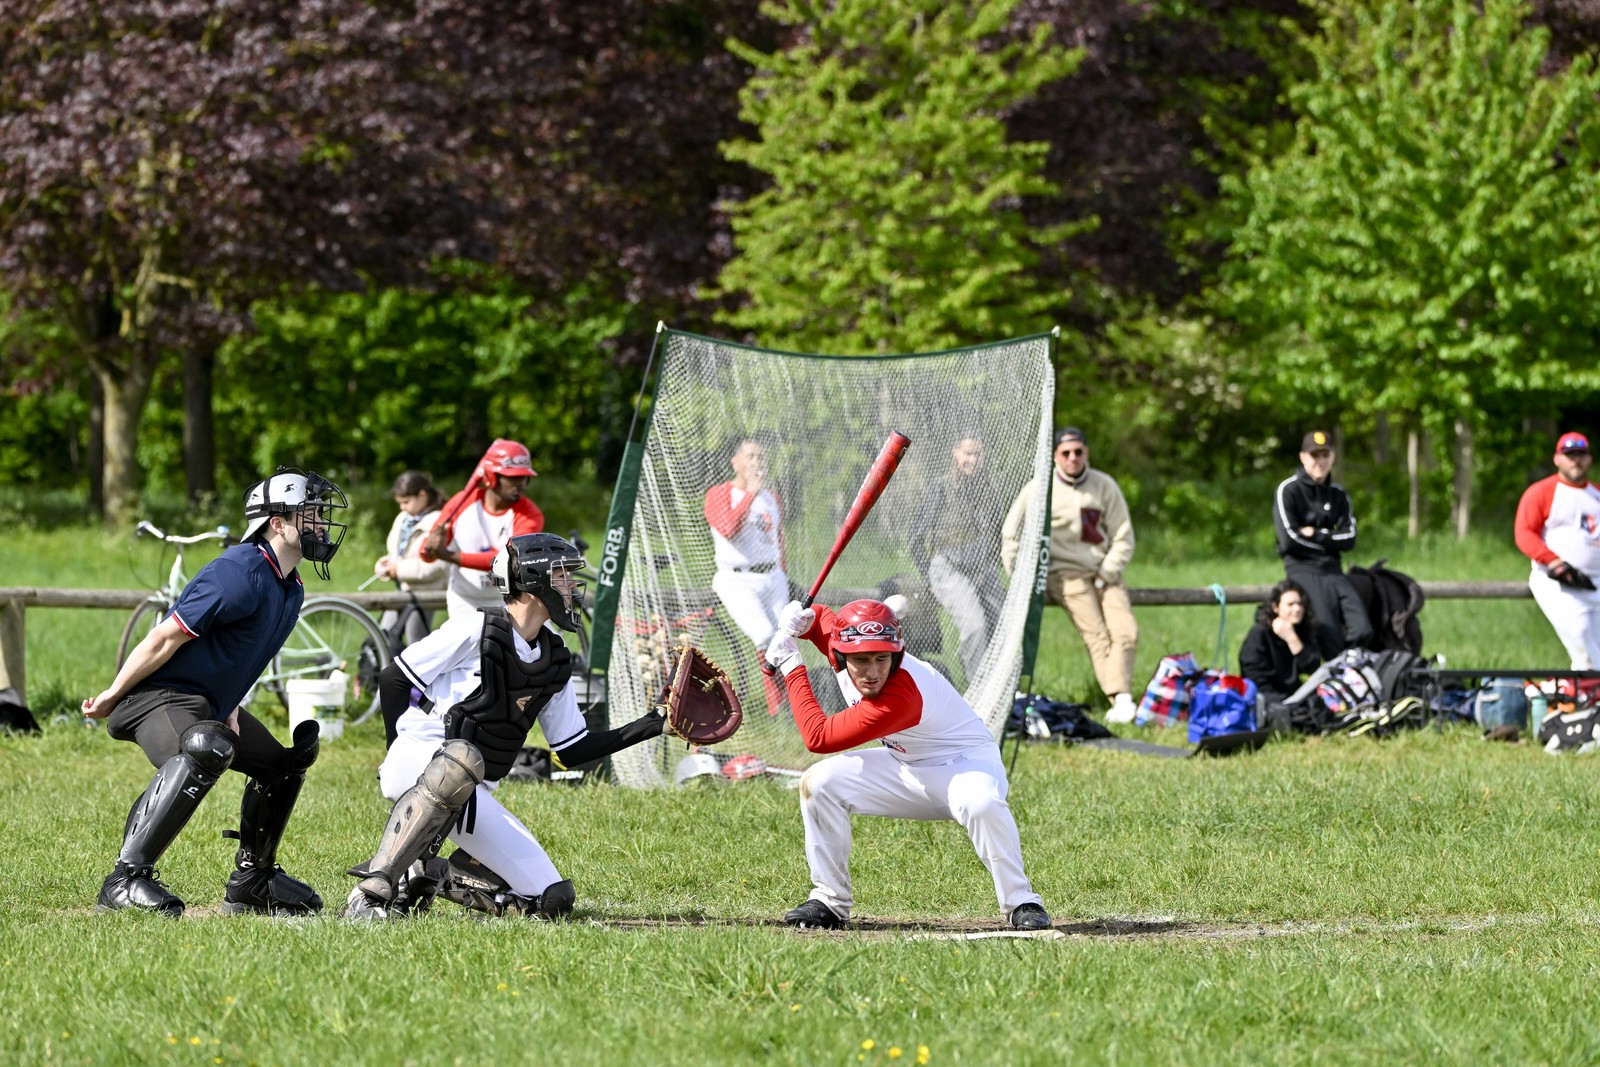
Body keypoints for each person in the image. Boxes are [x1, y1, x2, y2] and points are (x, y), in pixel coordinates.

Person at [343, 533, 670, 920]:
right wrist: (393, 754)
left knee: (551, 900)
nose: (571, 586)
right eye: (562, 575)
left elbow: (573, 749)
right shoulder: (475, 629)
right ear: (533, 583)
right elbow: (394, 678)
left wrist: (655, 723)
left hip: (469, 789)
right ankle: (370, 894)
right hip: (418, 761)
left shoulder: (554, 660)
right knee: (457, 762)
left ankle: (424, 873)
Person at [81, 468, 348, 917]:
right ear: (277, 523)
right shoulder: (237, 572)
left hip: (206, 706)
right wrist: (112, 694)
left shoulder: (291, 587)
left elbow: (247, 654)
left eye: (320, 514)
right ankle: (124, 881)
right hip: (156, 698)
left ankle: (252, 882)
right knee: (206, 748)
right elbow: (164, 638)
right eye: (309, 514)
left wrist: (232, 704)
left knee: (285, 764)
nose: (320, 523)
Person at [763, 598, 1051, 931]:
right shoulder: (843, 645)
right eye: (860, 660)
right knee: (820, 782)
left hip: (964, 768)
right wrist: (803, 620)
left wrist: (790, 665)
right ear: (841, 654)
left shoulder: (902, 694)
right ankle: (829, 901)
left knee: (981, 803)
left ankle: (1022, 901)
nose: (872, 673)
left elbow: (818, 737)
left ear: (896, 655)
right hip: (905, 764)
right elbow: (824, 620)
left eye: (881, 658)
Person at [1002, 427, 1139, 723]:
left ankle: (1122, 699)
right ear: (1055, 456)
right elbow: (1011, 535)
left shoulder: (1103, 485)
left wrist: (1108, 572)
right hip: (1064, 575)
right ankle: (1121, 697)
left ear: (1086, 453)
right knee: (1098, 635)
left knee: (1126, 631)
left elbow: (1123, 535)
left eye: (1078, 452)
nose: (1072, 458)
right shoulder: (1039, 488)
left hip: (1105, 572)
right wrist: (1019, 578)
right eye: (1066, 453)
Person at [909, 432, 1006, 682]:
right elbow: (915, 537)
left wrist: (990, 563)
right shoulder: (939, 489)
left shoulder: (986, 489)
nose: (972, 460)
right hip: (948, 568)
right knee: (975, 627)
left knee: (1004, 624)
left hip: (982, 569)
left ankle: (1002, 682)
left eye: (977, 454)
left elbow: (998, 532)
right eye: (968, 453)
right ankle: (978, 686)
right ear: (955, 453)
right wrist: (929, 576)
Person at [704, 434, 790, 713]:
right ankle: (776, 706)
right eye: (750, 456)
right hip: (738, 578)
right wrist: (750, 493)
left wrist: (783, 572)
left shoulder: (771, 496)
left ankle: (786, 707)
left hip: (772, 575)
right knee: (765, 636)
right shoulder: (720, 493)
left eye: (760, 457)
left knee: (785, 638)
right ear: (736, 461)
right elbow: (728, 528)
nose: (756, 462)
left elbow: (777, 537)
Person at [1272, 429, 1373, 659]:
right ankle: (1334, 684)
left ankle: (1351, 674)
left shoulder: (1338, 494)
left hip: (1334, 570)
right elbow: (1289, 541)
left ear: (1333, 457)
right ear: (1302, 457)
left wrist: (1317, 535)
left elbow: (1350, 539)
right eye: (1314, 455)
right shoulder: (1288, 490)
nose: (1320, 461)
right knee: (1330, 636)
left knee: (1362, 628)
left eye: (1325, 455)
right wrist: (1331, 540)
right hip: (1303, 570)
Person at [422, 439, 545, 619]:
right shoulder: (462, 502)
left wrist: (449, 556)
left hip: (513, 601)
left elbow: (508, 559)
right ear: (491, 477)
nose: (521, 483)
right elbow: (426, 555)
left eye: (525, 477)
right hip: (466, 601)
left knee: (549, 645)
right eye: (512, 477)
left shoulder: (530, 514)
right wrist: (431, 549)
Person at [1514, 431, 1600, 670]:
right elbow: (1524, 532)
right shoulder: (1542, 492)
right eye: (1569, 454)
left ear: (1589, 459)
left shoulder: (1595, 494)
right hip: (1559, 581)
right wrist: (1553, 561)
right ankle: (1581, 699)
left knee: (1596, 655)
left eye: (1581, 454)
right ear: (1557, 459)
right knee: (1583, 644)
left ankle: (1584, 699)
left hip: (1594, 582)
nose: (1576, 460)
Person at [372, 470, 447, 646]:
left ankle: (419, 674)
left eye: (406, 502)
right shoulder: (403, 518)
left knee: (416, 640)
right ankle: (386, 671)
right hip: (403, 589)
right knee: (385, 635)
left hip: (426, 592)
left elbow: (437, 566)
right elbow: (397, 553)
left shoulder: (439, 521)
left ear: (422, 495)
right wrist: (384, 563)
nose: (402, 507)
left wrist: (398, 570)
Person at [1238, 580, 1322, 729]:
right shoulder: (1260, 633)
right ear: (1275, 607)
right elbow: (1254, 674)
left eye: (1300, 604)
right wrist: (1283, 700)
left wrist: (1291, 638)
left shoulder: (1302, 630)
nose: (1297, 609)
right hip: (1264, 696)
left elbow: (1313, 667)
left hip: (1293, 693)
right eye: (1290, 605)